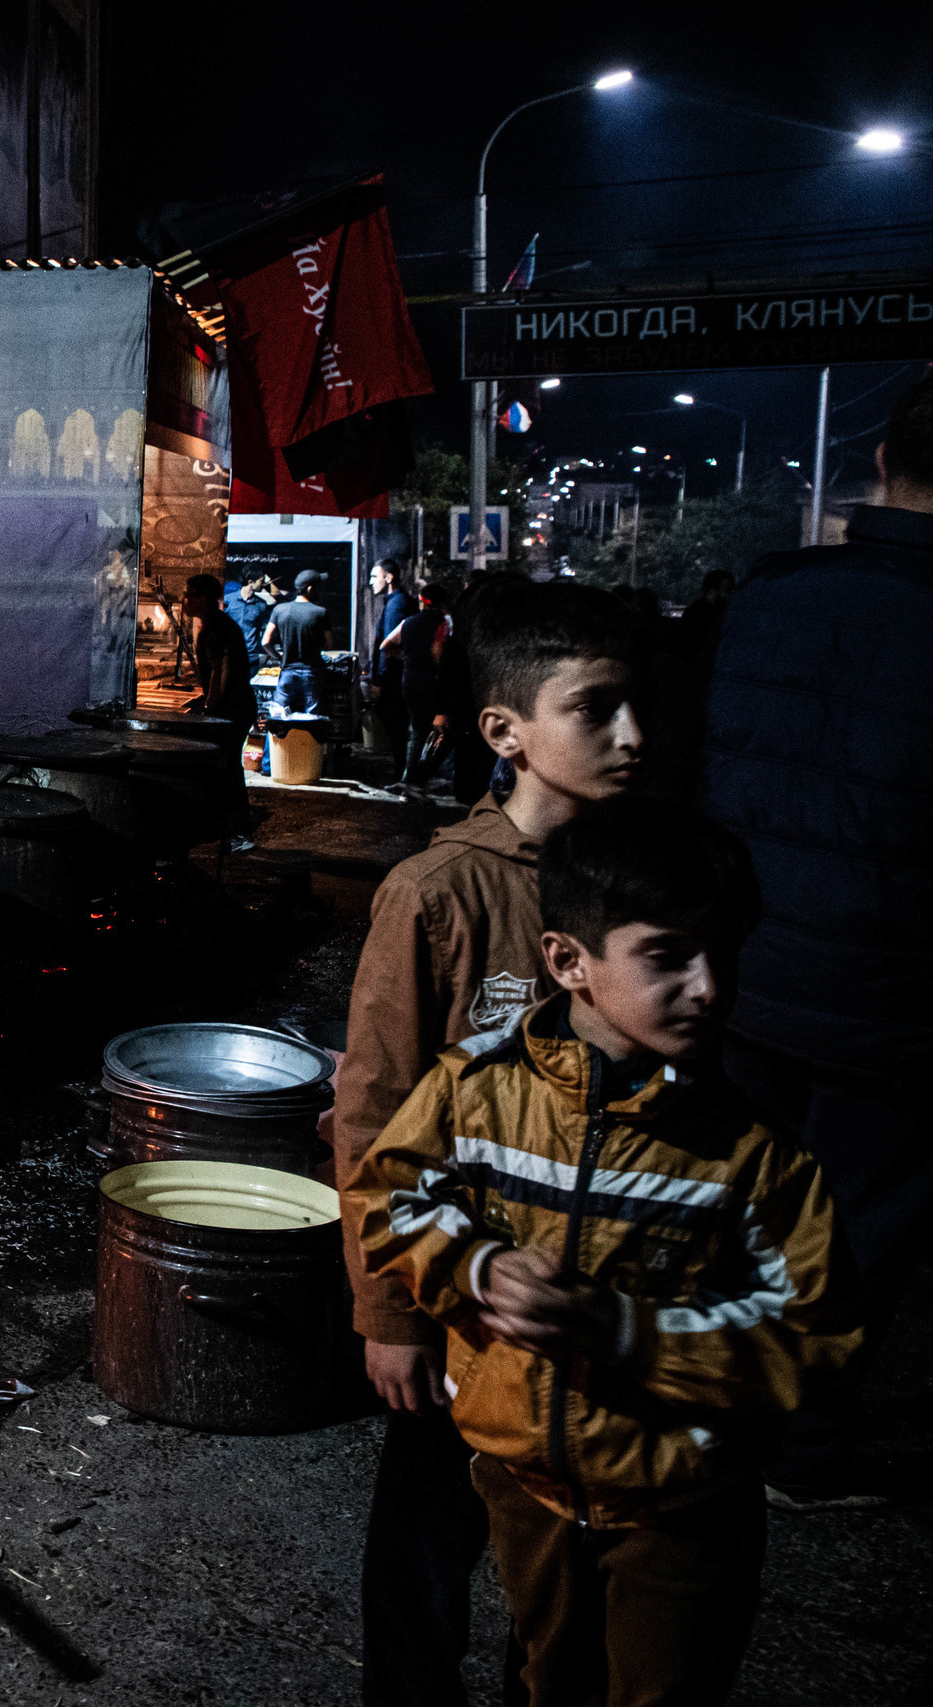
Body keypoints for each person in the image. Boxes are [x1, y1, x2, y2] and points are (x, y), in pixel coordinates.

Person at [353, 797, 854, 1707]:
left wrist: (623, 1329)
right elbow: (389, 1201)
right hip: (523, 1483)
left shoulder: (752, 1155)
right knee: (549, 1679)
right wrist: (479, 1267)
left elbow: (813, 1338)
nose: (708, 987)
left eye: (723, 955)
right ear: (567, 961)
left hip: (678, 1504)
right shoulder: (477, 1089)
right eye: (667, 956)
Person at [335, 580, 649, 1707]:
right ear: (505, 732)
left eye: (635, 707)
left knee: (571, 1571)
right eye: (596, 709)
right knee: (425, 1551)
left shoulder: (633, 887)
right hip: (462, 1296)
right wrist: (388, 1314)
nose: (631, 737)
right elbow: (371, 1116)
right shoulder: (440, 894)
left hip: (594, 1298)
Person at [697, 374, 933, 1511]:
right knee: (854, 1233)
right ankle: (794, 1452)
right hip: (889, 1000)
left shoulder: (771, 596)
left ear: (884, 459)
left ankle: (704, 1404)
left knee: (737, 1203)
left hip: (744, 970)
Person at [180, 573, 256, 847]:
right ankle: (226, 828)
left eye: (188, 594)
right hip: (235, 705)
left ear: (202, 598)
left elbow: (220, 671)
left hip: (233, 709)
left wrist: (211, 706)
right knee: (224, 767)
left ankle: (240, 833)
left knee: (228, 768)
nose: (184, 600)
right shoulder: (214, 623)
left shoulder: (215, 628)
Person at [384, 583, 452, 792]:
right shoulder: (446, 624)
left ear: (422, 600)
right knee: (443, 732)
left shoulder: (408, 623)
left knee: (416, 731)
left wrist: (407, 657)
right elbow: (439, 655)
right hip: (434, 684)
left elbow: (386, 646)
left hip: (410, 683)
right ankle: (420, 778)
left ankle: (409, 779)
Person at [261, 568, 333, 713]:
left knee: (279, 718)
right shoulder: (321, 612)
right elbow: (329, 645)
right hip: (312, 673)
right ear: (310, 588)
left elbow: (265, 642)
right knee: (313, 719)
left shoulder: (279, 610)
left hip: (287, 672)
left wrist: (279, 657)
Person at [362, 559, 412, 758]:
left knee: (396, 728)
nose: (370, 581)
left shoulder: (396, 605)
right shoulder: (394, 603)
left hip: (393, 681)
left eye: (375, 576)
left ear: (389, 578)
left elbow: (390, 647)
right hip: (394, 678)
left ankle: (403, 776)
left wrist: (381, 681)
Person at [675, 568, 734, 659]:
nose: (731, 595)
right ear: (712, 590)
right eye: (727, 590)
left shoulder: (716, 611)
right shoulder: (698, 614)